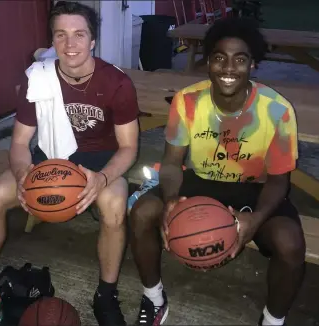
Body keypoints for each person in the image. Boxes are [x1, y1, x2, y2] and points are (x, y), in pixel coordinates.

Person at [0, 1, 139, 325]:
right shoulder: (38, 79)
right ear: (52, 40)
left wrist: (103, 179)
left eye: (79, 35)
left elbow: (129, 148)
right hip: (50, 158)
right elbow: (21, 143)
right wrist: (24, 175)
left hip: (99, 164)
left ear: (93, 40)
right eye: (61, 35)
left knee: (114, 208)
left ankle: (105, 296)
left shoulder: (117, 84)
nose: (70, 44)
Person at [129, 17, 305, 326]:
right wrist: (171, 200)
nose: (228, 68)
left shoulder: (276, 109)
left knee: (290, 244)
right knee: (142, 212)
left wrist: (255, 219)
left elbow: (279, 181)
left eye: (240, 59)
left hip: (253, 187)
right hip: (201, 181)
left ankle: (273, 320)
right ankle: (154, 297)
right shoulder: (187, 101)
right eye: (219, 57)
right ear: (208, 61)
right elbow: (171, 162)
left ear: (252, 65)